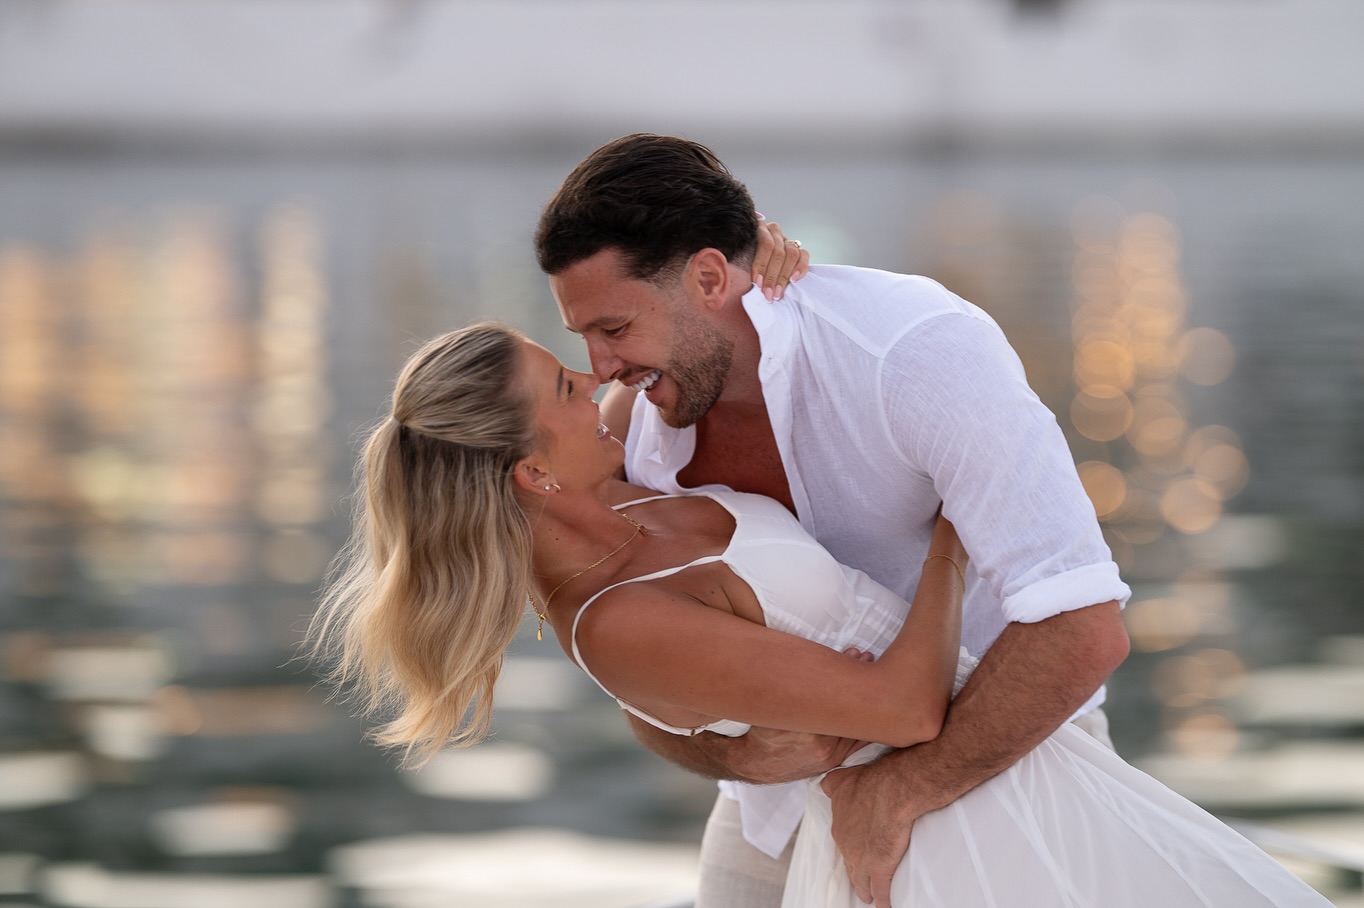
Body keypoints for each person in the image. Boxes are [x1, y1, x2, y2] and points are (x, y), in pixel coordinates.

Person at [308, 322, 1329, 908]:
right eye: (571, 386)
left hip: (1006, 757)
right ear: (532, 470)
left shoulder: (614, 478)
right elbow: (902, 704)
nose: (602, 382)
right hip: (927, 823)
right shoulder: (614, 614)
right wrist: (947, 531)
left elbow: (691, 328)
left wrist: (758, 257)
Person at [533, 133, 1132, 907]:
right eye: (583, 335)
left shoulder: (911, 352)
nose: (600, 366)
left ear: (711, 276)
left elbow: (1083, 627)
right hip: (773, 814)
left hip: (1002, 771)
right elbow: (636, 676)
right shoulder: (631, 432)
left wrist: (902, 788)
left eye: (614, 329)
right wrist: (738, 762)